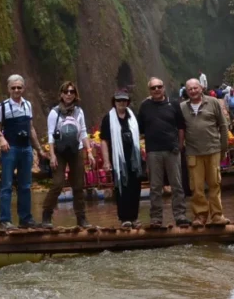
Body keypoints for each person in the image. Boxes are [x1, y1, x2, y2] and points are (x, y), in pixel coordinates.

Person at [0, 75, 46, 230]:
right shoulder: (1, 107)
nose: (16, 90)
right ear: (8, 89)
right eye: (13, 87)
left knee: (25, 185)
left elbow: (31, 129)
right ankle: (5, 221)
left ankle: (26, 219)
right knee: (7, 185)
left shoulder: (27, 105)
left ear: (23, 88)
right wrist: (2, 141)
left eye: (19, 87)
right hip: (10, 149)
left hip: (26, 149)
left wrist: (39, 150)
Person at [137, 77, 190, 227]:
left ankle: (180, 215)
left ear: (163, 88)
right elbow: (140, 128)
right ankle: (156, 218)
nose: (156, 90)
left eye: (159, 87)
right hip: (153, 151)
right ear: (149, 91)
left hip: (172, 150)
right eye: (153, 88)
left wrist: (180, 145)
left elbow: (181, 126)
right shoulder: (145, 106)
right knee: (155, 186)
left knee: (177, 185)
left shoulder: (173, 104)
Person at [41, 81, 94, 229]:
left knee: (78, 185)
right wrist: (52, 156)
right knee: (57, 184)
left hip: (76, 150)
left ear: (75, 94)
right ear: (61, 94)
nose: (69, 94)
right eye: (66, 92)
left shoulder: (79, 112)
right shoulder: (54, 112)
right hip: (59, 151)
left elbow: (83, 132)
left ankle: (81, 218)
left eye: (71, 92)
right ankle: (46, 214)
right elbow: (51, 135)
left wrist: (89, 152)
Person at [179, 78, 230, 225]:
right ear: (186, 92)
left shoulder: (213, 102)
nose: (193, 91)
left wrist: (224, 147)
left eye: (195, 88)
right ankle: (200, 216)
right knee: (196, 186)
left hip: (213, 150)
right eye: (190, 89)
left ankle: (217, 215)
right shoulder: (182, 107)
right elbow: (179, 130)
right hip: (193, 152)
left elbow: (223, 125)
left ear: (201, 88)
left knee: (215, 184)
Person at [100, 92, 143, 228]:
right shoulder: (109, 118)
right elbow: (104, 140)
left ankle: (134, 217)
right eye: (119, 101)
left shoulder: (133, 117)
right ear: (114, 102)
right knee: (122, 187)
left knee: (135, 187)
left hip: (134, 158)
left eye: (124, 101)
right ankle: (124, 218)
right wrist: (106, 161)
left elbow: (140, 135)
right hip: (118, 159)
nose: (121, 103)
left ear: (128, 102)